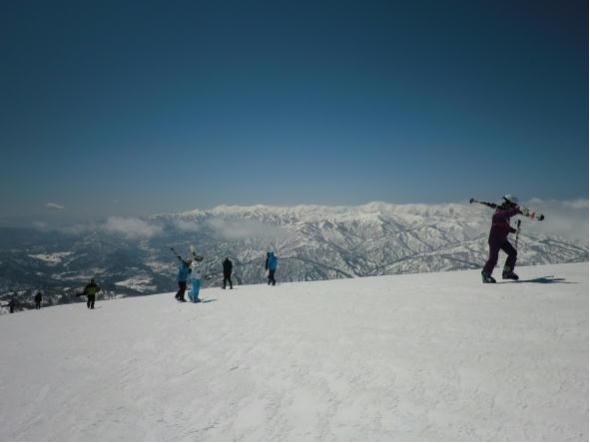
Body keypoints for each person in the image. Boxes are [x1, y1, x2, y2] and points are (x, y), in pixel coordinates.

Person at [481, 194, 526, 283]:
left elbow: (504, 226)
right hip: (494, 239)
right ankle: (485, 274)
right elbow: (501, 216)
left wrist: (514, 231)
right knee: (493, 258)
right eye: (513, 205)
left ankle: (507, 272)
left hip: (502, 239)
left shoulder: (505, 214)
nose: (513, 207)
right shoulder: (499, 212)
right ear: (509, 204)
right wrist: (517, 210)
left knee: (513, 253)